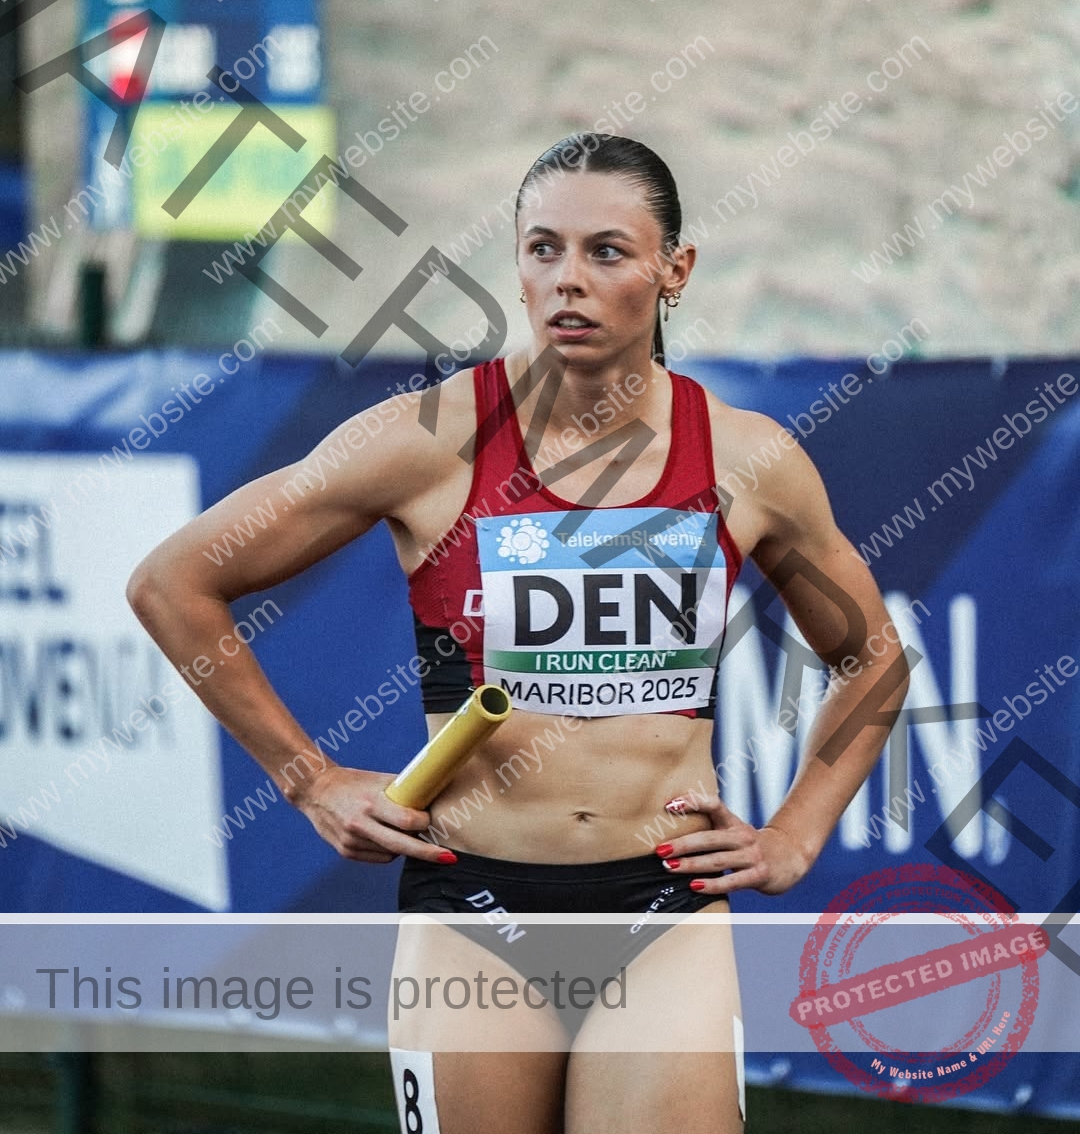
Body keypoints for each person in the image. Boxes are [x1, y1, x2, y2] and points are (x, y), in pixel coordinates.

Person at [128, 133, 909, 1134]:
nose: (568, 280)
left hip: (660, 909)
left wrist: (797, 832)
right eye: (543, 249)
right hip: (474, 909)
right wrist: (308, 776)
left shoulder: (748, 460)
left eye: (606, 252)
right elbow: (173, 581)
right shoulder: (427, 439)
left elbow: (872, 655)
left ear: (676, 271)